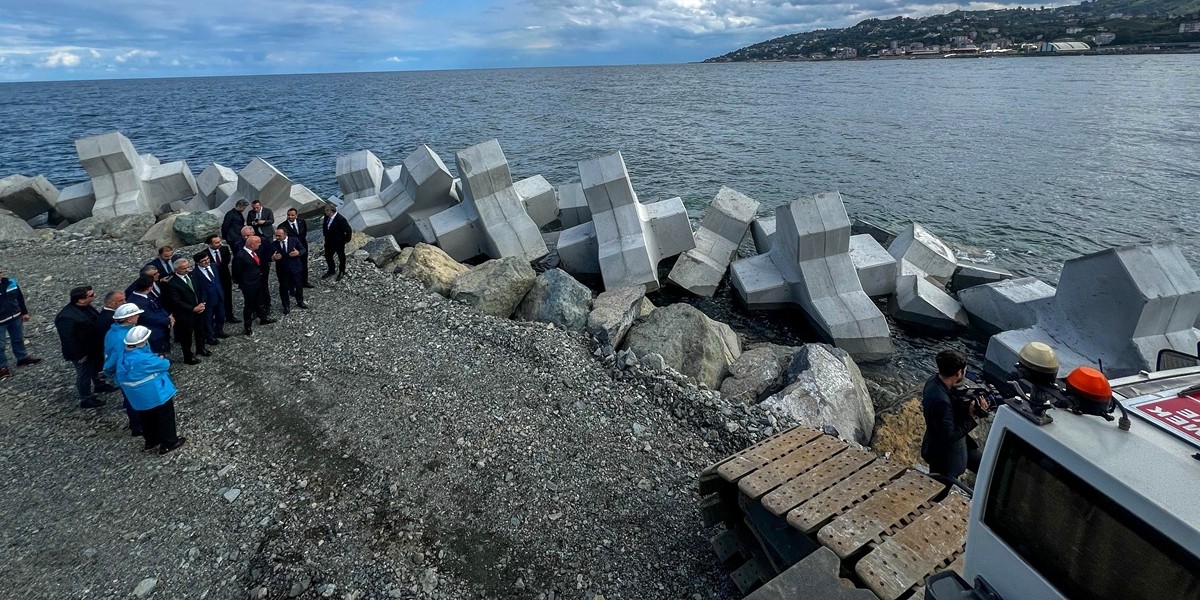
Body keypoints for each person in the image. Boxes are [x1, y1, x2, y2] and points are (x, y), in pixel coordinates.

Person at [117, 325, 186, 455]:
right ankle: (169, 442)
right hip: (155, 393)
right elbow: (164, 365)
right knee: (165, 417)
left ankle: (151, 440)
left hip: (137, 396)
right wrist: (161, 359)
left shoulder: (123, 355)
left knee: (145, 417)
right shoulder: (144, 359)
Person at [920, 350, 985, 480]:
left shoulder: (934, 381)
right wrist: (972, 417)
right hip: (944, 456)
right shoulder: (941, 401)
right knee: (939, 491)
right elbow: (949, 435)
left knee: (986, 467)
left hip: (959, 446)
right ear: (959, 373)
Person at [54, 286, 118, 408]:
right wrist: (79, 355)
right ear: (81, 300)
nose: (94, 296)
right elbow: (68, 339)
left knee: (96, 367)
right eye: (91, 295)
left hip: (93, 347)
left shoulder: (86, 307)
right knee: (84, 374)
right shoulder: (66, 317)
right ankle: (86, 398)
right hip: (81, 352)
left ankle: (99, 385)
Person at [103, 303, 144, 437]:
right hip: (131, 374)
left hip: (126, 373)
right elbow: (116, 358)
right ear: (129, 319)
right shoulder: (124, 337)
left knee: (131, 399)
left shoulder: (113, 331)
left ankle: (137, 423)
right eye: (136, 314)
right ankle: (137, 426)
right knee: (133, 400)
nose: (138, 316)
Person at [162, 258, 209, 365]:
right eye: (184, 269)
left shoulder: (192, 275)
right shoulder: (172, 283)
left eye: (188, 267)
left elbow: (201, 289)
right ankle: (188, 356)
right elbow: (176, 301)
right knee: (186, 336)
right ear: (176, 270)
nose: (187, 270)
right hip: (185, 314)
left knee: (200, 331)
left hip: (199, 309)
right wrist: (193, 308)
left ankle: (201, 348)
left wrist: (202, 303)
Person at [0, 266, 40, 380]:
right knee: (0, 346)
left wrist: (24, 312)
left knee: (18, 339)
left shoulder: (11, 282)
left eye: (0, 272)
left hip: (15, 317)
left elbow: (20, 298)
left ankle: (22, 358)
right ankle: (2, 367)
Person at [231, 235, 276, 335]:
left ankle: (263, 318)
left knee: (260, 301)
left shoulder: (255, 252)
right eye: (258, 243)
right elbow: (236, 273)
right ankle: (247, 326)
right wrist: (244, 284)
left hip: (258, 281)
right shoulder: (240, 256)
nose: (260, 245)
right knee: (249, 306)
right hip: (248, 285)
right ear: (251, 244)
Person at [128, 275, 174, 355]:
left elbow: (158, 306)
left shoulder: (146, 295)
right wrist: (168, 320)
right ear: (149, 287)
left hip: (161, 326)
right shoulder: (137, 302)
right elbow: (149, 317)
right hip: (154, 332)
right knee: (158, 352)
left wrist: (168, 316)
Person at [270, 226, 308, 314]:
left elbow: (303, 249)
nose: (277, 237)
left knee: (298, 286)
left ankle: (300, 301)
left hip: (295, 268)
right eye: (276, 236)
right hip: (282, 270)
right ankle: (286, 305)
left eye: (279, 236)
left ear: (285, 234)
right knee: (283, 288)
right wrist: (273, 258)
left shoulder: (294, 240)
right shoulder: (274, 244)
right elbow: (269, 256)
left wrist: (298, 253)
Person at [192, 252, 228, 343]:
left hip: (219, 295)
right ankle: (209, 336)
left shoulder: (214, 266)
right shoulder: (195, 274)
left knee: (221, 315)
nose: (206, 261)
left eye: (207, 259)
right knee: (208, 319)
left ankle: (219, 330)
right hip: (207, 299)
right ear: (197, 263)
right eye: (203, 261)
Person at [204, 235, 238, 324]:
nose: (219, 244)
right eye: (216, 242)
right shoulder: (204, 254)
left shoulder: (225, 249)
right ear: (209, 244)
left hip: (225, 277)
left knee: (228, 296)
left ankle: (229, 315)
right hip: (213, 280)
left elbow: (226, 261)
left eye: (219, 241)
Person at [282, 208, 313, 288]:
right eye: (288, 215)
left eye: (292, 215)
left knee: (304, 264)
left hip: (302, 246)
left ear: (296, 215)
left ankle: (304, 282)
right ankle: (292, 285)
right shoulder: (283, 226)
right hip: (291, 249)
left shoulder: (302, 222)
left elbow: (304, 233)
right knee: (292, 267)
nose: (290, 217)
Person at [321, 204, 352, 281]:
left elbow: (348, 230)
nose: (325, 212)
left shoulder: (340, 219)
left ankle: (342, 271)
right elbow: (325, 227)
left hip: (338, 242)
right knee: (328, 256)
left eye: (326, 210)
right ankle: (331, 270)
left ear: (330, 211)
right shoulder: (326, 216)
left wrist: (346, 240)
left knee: (341, 257)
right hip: (328, 241)